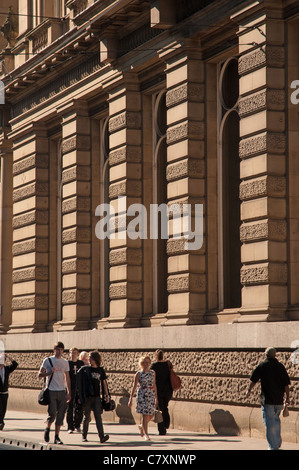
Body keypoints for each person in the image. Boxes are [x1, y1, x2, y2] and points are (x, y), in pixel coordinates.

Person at [246, 347, 290, 450]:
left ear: (266, 355)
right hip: (279, 400)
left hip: (267, 400)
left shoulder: (263, 365)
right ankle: (277, 443)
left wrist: (249, 390)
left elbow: (254, 379)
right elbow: (286, 385)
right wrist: (287, 397)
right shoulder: (280, 367)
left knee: (269, 423)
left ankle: (273, 447)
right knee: (276, 421)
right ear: (275, 355)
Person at [38, 341, 71, 445]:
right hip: (51, 390)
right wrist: (49, 372)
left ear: (63, 351)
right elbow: (39, 375)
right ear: (54, 350)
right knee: (52, 414)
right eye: (57, 349)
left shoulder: (65, 362)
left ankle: (57, 436)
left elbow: (67, 378)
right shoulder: (47, 360)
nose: (59, 351)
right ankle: (47, 428)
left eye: (61, 349)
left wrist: (69, 392)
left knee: (61, 415)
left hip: (61, 391)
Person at [77, 350, 109, 444]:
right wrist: (80, 396)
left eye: (91, 357)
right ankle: (84, 436)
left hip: (96, 397)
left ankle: (102, 436)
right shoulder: (86, 370)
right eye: (89, 357)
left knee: (98, 417)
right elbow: (81, 384)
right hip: (87, 397)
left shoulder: (100, 370)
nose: (89, 359)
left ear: (95, 359)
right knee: (86, 417)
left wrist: (106, 395)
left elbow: (104, 383)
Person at [128, 355, 158, 441]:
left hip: (151, 393)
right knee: (145, 414)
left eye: (148, 362)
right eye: (144, 362)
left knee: (151, 414)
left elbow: (154, 384)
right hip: (142, 394)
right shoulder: (139, 374)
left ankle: (142, 426)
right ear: (141, 363)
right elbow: (134, 386)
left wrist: (156, 397)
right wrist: (131, 398)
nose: (146, 364)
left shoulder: (153, 372)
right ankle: (146, 434)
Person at [150, 349, 172, 435]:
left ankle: (162, 429)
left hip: (158, 390)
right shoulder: (168, 364)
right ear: (163, 356)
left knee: (159, 409)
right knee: (165, 407)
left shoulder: (154, 366)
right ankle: (166, 423)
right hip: (167, 390)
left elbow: (151, 376)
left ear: (156, 356)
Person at [67, 347, 84, 433]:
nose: (73, 354)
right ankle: (70, 427)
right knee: (70, 407)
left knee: (79, 407)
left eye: (75, 352)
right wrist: (68, 390)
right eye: (72, 352)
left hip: (79, 388)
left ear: (78, 354)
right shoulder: (67, 363)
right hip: (71, 387)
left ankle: (77, 424)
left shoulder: (80, 363)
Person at [0, 354, 18, 430]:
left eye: (2, 360)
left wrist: (9, 357)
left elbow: (15, 364)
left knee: (3, 408)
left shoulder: (6, 369)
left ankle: (1, 421)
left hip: (5, 392)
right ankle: (1, 422)